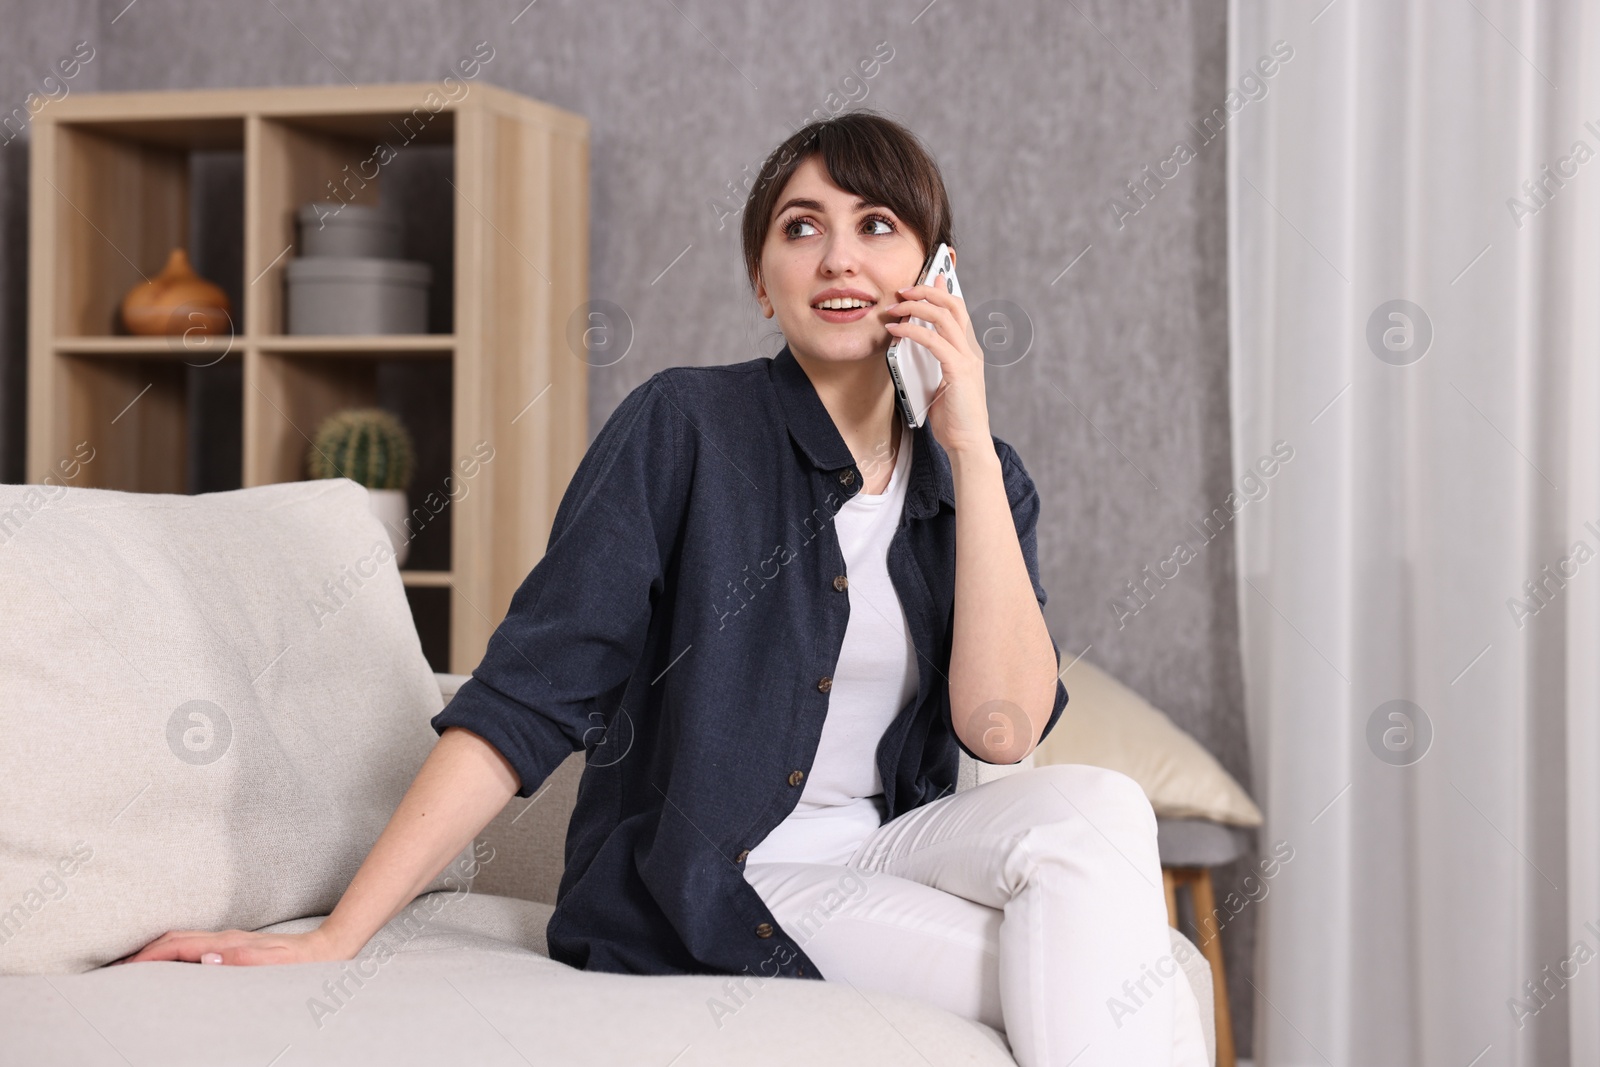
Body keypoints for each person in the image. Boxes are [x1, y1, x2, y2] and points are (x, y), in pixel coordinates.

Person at [119, 110, 1207, 1067]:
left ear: (934, 271)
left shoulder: (980, 473)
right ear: (759, 278)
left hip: (885, 848)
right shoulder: (683, 425)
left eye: (877, 226)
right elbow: (532, 690)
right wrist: (335, 933)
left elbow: (1000, 728)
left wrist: (966, 444)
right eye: (801, 226)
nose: (838, 256)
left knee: (1101, 807)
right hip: (729, 872)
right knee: (1146, 971)